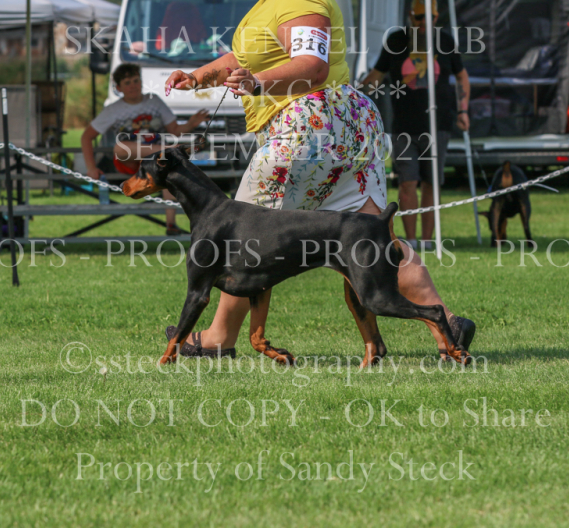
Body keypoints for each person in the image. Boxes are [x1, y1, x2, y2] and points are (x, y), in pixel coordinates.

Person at [163, 0, 476, 360]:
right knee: (372, 238)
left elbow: (313, 66)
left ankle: (219, 337)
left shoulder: (297, 2)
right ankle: (447, 326)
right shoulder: (266, 6)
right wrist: (198, 77)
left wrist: (257, 83)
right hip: (345, 125)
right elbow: (244, 58)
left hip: (309, 125)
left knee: (241, 235)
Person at [360, 0, 470, 251]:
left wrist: (463, 109)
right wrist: (355, 96)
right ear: (410, 16)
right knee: (407, 183)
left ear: (436, 17)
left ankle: (428, 241)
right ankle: (410, 241)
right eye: (418, 18)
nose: (423, 23)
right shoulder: (396, 41)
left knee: (432, 183)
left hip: (438, 124)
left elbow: (461, 76)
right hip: (404, 126)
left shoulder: (445, 41)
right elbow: (377, 76)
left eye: (428, 18)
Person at [81, 64, 209, 235]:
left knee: (166, 165)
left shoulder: (154, 101)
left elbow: (174, 130)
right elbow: (86, 136)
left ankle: (171, 224)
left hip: (155, 159)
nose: (133, 86)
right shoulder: (113, 109)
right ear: (119, 88)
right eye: (127, 83)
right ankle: (176, 151)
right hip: (129, 159)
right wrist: (91, 167)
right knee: (120, 148)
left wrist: (191, 123)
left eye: (136, 80)